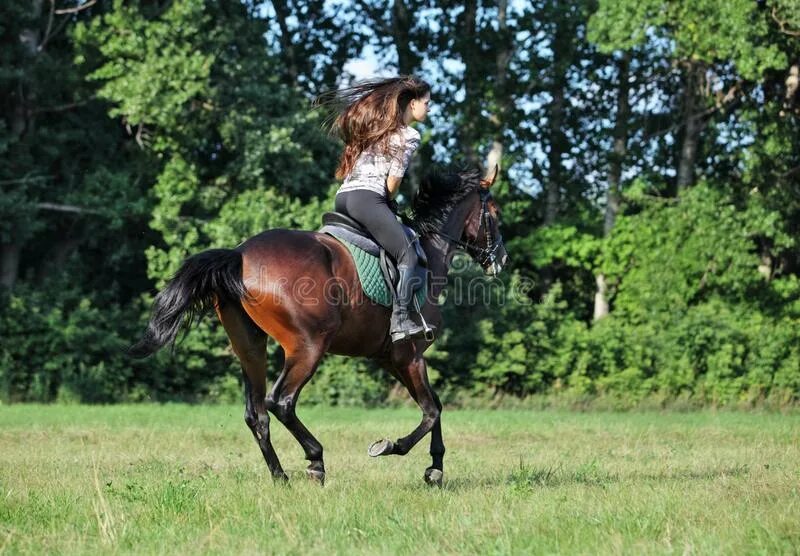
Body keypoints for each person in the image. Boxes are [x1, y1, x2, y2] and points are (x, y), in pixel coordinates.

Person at [323, 76, 431, 342]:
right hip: (367, 200)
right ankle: (401, 320)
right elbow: (392, 184)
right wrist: (391, 198)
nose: (430, 108)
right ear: (413, 103)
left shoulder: (377, 129)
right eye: (427, 103)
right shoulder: (409, 135)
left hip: (343, 199)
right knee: (408, 255)